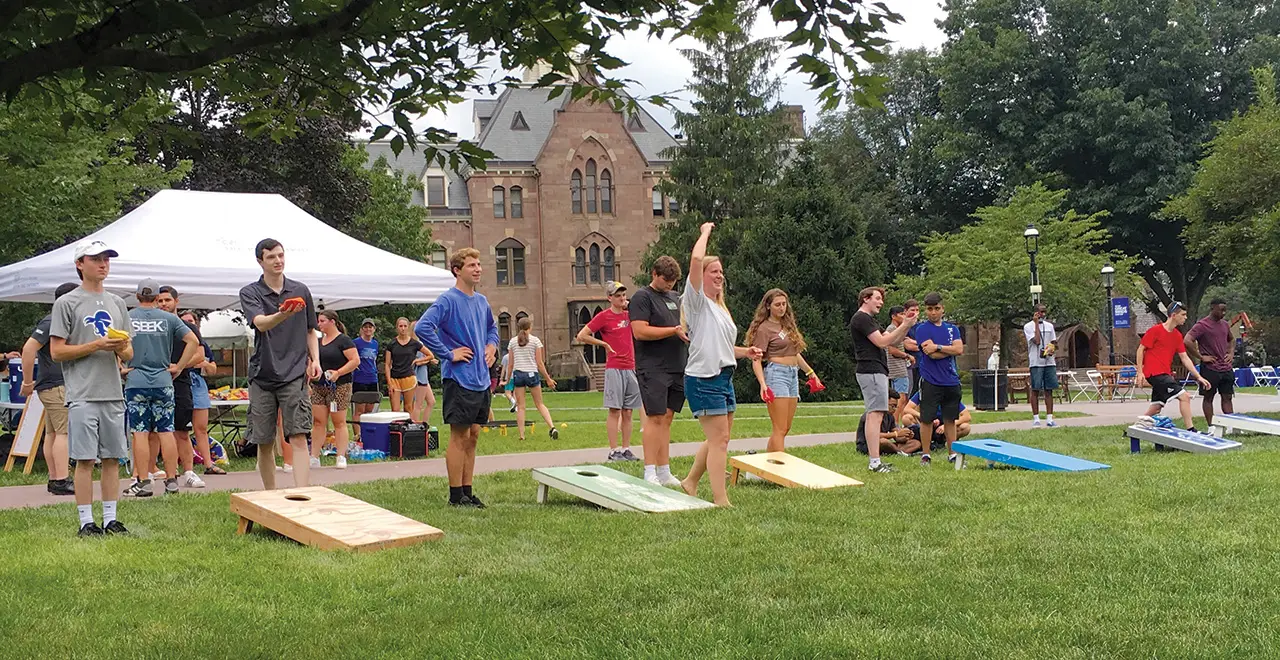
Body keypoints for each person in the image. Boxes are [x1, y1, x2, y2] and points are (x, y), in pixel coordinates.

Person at [49, 240, 133, 536]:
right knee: (85, 459)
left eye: (107, 259)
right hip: (82, 392)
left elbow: (129, 353)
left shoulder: (117, 303)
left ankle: (110, 518)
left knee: (112, 458)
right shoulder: (67, 302)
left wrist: (120, 348)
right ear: (80, 264)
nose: (103, 264)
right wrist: (96, 345)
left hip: (113, 391)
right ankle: (86, 521)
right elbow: (57, 351)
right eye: (96, 259)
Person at [676, 223, 762, 507]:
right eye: (714, 271)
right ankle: (720, 500)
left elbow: (720, 347)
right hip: (704, 379)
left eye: (722, 272)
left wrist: (745, 352)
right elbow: (696, 259)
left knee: (718, 439)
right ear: (700, 277)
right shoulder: (696, 300)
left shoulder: (720, 309)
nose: (720, 275)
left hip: (724, 377)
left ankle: (690, 482)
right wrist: (704, 232)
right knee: (720, 440)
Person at [414, 248, 500, 508]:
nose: (478, 268)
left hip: (481, 379)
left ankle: (467, 491)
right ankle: (455, 496)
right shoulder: (448, 300)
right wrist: (447, 353)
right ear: (457, 270)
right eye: (471, 265)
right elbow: (423, 327)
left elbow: (492, 329)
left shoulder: (482, 301)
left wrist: (492, 346)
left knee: (474, 434)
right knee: (459, 435)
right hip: (459, 378)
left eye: (479, 264)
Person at [239, 238, 320, 490]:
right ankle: (271, 497)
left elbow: (310, 330)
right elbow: (261, 323)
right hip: (262, 375)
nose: (278, 261)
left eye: (281, 255)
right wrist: (284, 313)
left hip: (295, 373)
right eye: (272, 257)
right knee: (263, 441)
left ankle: (303, 494)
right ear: (260, 261)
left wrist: (315, 359)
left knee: (298, 435)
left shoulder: (300, 290)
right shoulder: (250, 292)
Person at [122, 279, 200, 497]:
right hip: (163, 381)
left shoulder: (127, 318)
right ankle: (171, 479)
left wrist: (120, 366)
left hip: (136, 380)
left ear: (136, 297)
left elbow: (112, 341)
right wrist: (180, 366)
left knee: (140, 432)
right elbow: (192, 341)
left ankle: (144, 481)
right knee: (166, 431)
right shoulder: (168, 319)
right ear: (157, 298)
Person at [630, 255, 689, 487]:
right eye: (666, 280)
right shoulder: (642, 298)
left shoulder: (675, 298)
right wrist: (672, 330)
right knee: (654, 418)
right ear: (654, 274)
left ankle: (664, 471)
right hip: (652, 367)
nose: (669, 286)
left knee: (667, 418)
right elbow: (640, 331)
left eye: (673, 282)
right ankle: (649, 471)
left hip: (677, 365)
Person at [19, 282, 80, 496]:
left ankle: (55, 479)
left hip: (51, 384)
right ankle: (62, 480)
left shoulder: (59, 320)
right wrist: (27, 382)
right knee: (63, 433)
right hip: (57, 384)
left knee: (52, 433)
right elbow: (28, 348)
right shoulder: (53, 320)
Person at [849, 287, 917, 473]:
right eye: (877, 298)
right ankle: (874, 462)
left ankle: (875, 461)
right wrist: (904, 325)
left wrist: (907, 325)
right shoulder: (861, 318)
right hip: (870, 369)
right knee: (875, 414)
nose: (881, 302)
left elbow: (892, 340)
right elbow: (881, 342)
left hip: (877, 370)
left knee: (877, 413)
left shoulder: (870, 320)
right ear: (865, 299)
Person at [746, 288, 822, 453]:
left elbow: (795, 353)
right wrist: (763, 384)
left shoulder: (787, 325)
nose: (782, 308)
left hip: (792, 374)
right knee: (779, 428)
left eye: (784, 304)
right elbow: (756, 359)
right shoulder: (764, 328)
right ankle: (779, 468)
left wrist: (810, 372)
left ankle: (768, 462)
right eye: (777, 305)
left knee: (785, 427)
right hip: (776, 373)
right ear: (768, 306)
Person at [578, 281, 642, 461]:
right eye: (617, 296)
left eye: (623, 295)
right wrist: (603, 344)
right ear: (609, 298)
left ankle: (626, 448)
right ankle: (613, 450)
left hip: (630, 367)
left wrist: (632, 306)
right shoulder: (604, 317)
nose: (622, 298)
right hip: (614, 367)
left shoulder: (630, 316)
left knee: (628, 411)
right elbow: (582, 335)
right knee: (615, 409)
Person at [156, 286, 209, 488]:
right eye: (160, 301)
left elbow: (200, 355)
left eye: (167, 300)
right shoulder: (154, 326)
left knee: (182, 431)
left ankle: (188, 472)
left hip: (181, 383)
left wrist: (177, 367)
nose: (163, 304)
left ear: (177, 301)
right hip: (156, 383)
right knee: (152, 432)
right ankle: (149, 472)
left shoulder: (188, 328)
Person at [1137, 302, 1211, 433]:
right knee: (1184, 397)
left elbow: (1184, 358)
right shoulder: (1155, 330)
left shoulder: (1177, 336)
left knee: (1157, 406)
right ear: (1173, 315)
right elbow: (1140, 350)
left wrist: (1198, 376)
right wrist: (1140, 373)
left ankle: (1137, 427)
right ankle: (1191, 429)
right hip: (1155, 374)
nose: (1185, 317)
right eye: (1183, 315)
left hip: (1165, 374)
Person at [912, 292, 964, 465]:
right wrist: (944, 349)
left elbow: (959, 350)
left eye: (936, 308)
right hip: (930, 380)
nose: (933, 312)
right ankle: (926, 454)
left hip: (951, 380)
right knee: (926, 419)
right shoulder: (922, 329)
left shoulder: (952, 329)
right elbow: (930, 354)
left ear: (943, 309)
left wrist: (939, 347)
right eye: (929, 309)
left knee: (950, 419)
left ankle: (953, 453)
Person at [310, 310, 360, 469]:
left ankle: (340, 455)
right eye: (319, 321)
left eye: (322, 321)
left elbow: (355, 360)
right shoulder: (317, 342)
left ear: (332, 322)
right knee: (318, 422)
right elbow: (311, 360)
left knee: (339, 421)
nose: (319, 324)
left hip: (339, 386)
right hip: (319, 386)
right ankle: (314, 456)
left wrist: (338, 373)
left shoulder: (343, 341)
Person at [179, 310, 225, 476]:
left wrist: (203, 362)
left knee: (201, 427)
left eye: (191, 321)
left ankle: (208, 463)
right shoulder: (177, 341)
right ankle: (182, 465)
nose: (188, 324)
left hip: (197, 384)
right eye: (184, 322)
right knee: (179, 428)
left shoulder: (202, 344)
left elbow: (212, 368)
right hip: (180, 381)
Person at [504, 317, 559, 440]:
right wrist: (548, 379)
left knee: (521, 406)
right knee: (539, 404)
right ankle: (552, 427)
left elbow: (510, 364)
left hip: (518, 374)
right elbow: (539, 363)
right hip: (532, 374)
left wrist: (508, 380)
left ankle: (522, 435)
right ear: (530, 327)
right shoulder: (535, 341)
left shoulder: (513, 342)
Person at [1185, 299, 1234, 426]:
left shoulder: (1224, 324)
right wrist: (1201, 357)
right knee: (1208, 398)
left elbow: (1231, 340)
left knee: (1227, 397)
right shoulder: (1202, 325)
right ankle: (1211, 426)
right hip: (1210, 368)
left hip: (1226, 367)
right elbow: (1187, 340)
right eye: (1221, 310)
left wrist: (1231, 353)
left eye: (1225, 310)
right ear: (1212, 308)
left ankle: (1231, 425)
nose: (1223, 313)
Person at [386, 317, 431, 419]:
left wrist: (418, 360)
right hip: (395, 378)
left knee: (408, 407)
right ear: (397, 328)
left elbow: (430, 355)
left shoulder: (414, 343)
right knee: (395, 409)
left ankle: (407, 431)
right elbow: (387, 364)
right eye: (400, 326)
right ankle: (395, 431)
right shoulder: (392, 344)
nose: (403, 328)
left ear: (408, 328)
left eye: (405, 326)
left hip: (409, 377)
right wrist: (389, 383)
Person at [1024, 304, 1059, 428]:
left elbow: (1054, 342)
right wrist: (1035, 325)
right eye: (1040, 312)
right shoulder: (1028, 327)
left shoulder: (1049, 326)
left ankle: (1049, 418)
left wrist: (1052, 349)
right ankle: (1036, 418)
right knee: (1035, 389)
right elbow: (1037, 341)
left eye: (1044, 312)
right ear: (1035, 313)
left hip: (1049, 362)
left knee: (1049, 389)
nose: (1043, 314)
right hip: (1036, 362)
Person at [901, 391, 973, 449]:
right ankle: (922, 441)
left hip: (943, 427)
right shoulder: (923, 392)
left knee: (965, 427)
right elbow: (907, 409)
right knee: (906, 418)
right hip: (925, 423)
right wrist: (924, 417)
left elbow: (967, 416)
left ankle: (944, 441)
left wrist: (946, 426)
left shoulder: (949, 395)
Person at [856, 393, 921, 456]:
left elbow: (897, 437)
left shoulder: (890, 416)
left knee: (916, 443)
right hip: (867, 445)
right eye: (892, 406)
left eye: (896, 407)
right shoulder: (871, 416)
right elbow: (875, 435)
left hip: (884, 444)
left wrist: (905, 435)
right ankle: (900, 453)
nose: (895, 409)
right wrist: (896, 434)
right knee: (883, 442)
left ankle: (896, 452)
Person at [351, 318, 381, 441]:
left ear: (374, 329)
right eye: (366, 327)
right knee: (359, 410)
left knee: (369, 410)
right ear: (362, 329)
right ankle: (357, 435)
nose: (368, 329)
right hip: (359, 379)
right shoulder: (356, 343)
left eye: (370, 327)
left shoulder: (375, 344)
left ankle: (367, 434)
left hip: (372, 379)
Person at [884, 305, 915, 424]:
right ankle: (895, 423)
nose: (904, 316)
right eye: (901, 314)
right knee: (901, 399)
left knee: (901, 398)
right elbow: (892, 350)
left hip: (895, 368)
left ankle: (896, 423)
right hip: (897, 369)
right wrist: (907, 356)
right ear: (893, 316)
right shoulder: (892, 329)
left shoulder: (895, 329)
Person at [414, 346, 438, 426]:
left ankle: (425, 425)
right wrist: (429, 359)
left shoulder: (423, 344)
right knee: (418, 404)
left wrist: (429, 360)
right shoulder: (419, 345)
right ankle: (414, 427)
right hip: (419, 377)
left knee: (431, 401)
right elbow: (417, 362)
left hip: (424, 378)